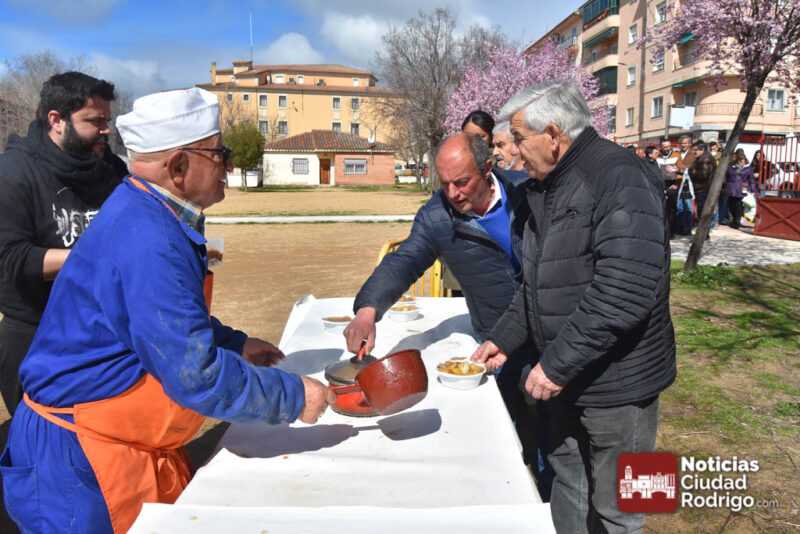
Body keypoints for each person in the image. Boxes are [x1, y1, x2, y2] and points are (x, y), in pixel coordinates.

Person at [1, 87, 334, 534]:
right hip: (80, 462)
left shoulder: (148, 210)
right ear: (178, 167)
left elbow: (158, 319)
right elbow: (196, 376)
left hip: (112, 442)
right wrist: (293, 396)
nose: (228, 165)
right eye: (219, 154)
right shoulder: (149, 237)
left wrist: (233, 343)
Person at [472, 80, 676, 534]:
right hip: (566, 380)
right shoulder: (544, 187)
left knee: (622, 510)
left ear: (553, 135)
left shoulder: (621, 176)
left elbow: (626, 290)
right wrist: (504, 339)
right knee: (569, 485)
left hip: (622, 384)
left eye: (518, 139)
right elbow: (538, 284)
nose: (512, 152)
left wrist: (556, 366)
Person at [344, 133, 554, 496]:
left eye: (462, 182)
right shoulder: (437, 217)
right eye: (444, 184)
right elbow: (405, 261)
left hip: (554, 331)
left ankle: (554, 496)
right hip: (500, 341)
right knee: (513, 434)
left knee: (557, 436)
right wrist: (367, 310)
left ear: (487, 169)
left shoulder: (529, 190)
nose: (453, 193)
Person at [0, 72, 128, 418]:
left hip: (101, 331)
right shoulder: (13, 172)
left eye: (107, 120)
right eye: (95, 121)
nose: (106, 130)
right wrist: (90, 259)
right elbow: (11, 259)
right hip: (36, 337)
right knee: (44, 440)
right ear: (56, 120)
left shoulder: (111, 169)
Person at [725, 148, 757, 229]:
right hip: (731, 188)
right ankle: (734, 220)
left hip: (741, 189)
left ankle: (737, 222)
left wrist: (753, 190)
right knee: (731, 205)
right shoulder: (731, 167)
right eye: (740, 160)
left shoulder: (748, 169)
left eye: (743, 160)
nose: (741, 162)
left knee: (738, 206)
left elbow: (751, 180)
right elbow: (727, 176)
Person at [688, 141, 717, 231]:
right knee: (702, 211)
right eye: (693, 150)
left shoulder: (705, 160)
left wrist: (691, 172)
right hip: (702, 189)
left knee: (703, 212)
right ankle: (703, 231)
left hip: (703, 189)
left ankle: (703, 233)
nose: (694, 152)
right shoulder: (700, 158)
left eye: (696, 150)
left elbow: (703, 175)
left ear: (702, 150)